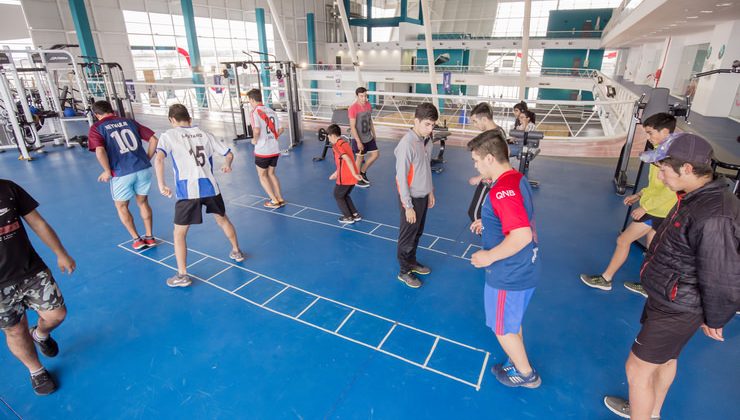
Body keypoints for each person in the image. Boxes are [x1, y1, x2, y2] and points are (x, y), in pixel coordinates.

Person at [603, 132, 739, 419]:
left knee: (637, 369)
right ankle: (652, 411)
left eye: (664, 169)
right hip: (671, 295)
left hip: (677, 307)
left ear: (687, 169)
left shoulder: (714, 214)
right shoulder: (695, 197)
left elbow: (722, 274)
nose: (661, 177)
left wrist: (715, 317)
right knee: (666, 359)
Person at [468, 130, 542, 389]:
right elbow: (515, 217)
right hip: (526, 268)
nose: (476, 165)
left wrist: (488, 256)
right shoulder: (516, 179)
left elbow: (520, 235)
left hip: (508, 273)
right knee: (512, 322)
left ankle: (526, 374)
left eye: (476, 160)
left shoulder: (502, 190)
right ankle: (515, 359)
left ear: (489, 158)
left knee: (502, 328)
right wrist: (488, 223)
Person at [580, 113, 678, 297]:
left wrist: (646, 208)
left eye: (650, 133)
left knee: (623, 240)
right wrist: (639, 195)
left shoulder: (668, 157)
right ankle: (650, 286)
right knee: (652, 248)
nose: (648, 138)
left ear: (664, 131)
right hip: (659, 209)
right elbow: (655, 185)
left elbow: (670, 190)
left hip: (659, 211)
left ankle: (606, 279)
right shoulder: (659, 151)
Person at [154, 104, 246, 288]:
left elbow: (159, 158)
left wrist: (161, 184)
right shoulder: (205, 134)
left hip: (188, 192)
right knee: (223, 220)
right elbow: (228, 154)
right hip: (210, 187)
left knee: (179, 234)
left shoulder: (168, 136)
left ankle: (182, 275)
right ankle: (236, 251)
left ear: (172, 119)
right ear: (189, 117)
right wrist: (228, 165)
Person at [0, 179, 76, 395]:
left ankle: (40, 334)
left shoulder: (8, 188)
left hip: (30, 270)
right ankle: (37, 371)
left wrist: (61, 253)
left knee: (57, 315)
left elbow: (38, 223)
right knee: (15, 330)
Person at [88, 100, 159, 250]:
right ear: (111, 110)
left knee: (121, 206)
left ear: (96, 115)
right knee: (143, 202)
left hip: (121, 173)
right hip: (142, 168)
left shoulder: (97, 128)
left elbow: (100, 150)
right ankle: (150, 237)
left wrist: (107, 171)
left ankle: (137, 239)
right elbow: (154, 139)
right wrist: (146, 158)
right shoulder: (129, 121)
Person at [395, 103, 437, 288]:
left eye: (433, 125)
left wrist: (430, 191)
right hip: (410, 199)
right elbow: (401, 178)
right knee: (407, 237)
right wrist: (408, 206)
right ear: (416, 121)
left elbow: (426, 168)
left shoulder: (427, 141)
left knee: (417, 233)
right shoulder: (407, 144)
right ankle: (404, 271)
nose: (430, 129)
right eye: (427, 124)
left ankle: (411, 262)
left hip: (423, 195)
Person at [467, 102, 509, 236]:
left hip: (489, 180)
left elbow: (498, 160)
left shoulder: (493, 136)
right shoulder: (499, 131)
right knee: (485, 212)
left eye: (475, 121)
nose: (475, 125)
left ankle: (492, 241)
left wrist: (480, 177)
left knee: (475, 213)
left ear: (484, 119)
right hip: (491, 178)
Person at [246, 89, 286, 209]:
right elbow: (280, 130)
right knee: (271, 174)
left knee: (262, 176)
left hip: (263, 150)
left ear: (252, 99)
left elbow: (256, 130)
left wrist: (254, 140)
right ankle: (280, 198)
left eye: (249, 101)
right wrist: (272, 138)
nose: (250, 103)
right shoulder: (271, 111)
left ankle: (274, 201)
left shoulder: (254, 112)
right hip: (274, 149)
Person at [326, 124, 363, 223]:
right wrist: (336, 173)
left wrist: (354, 174)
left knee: (337, 195)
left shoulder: (337, 145)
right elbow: (342, 161)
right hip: (350, 175)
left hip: (346, 177)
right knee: (344, 195)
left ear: (333, 135)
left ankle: (348, 217)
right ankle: (355, 214)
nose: (329, 139)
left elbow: (347, 159)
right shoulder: (344, 143)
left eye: (328, 137)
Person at [348, 87, 379, 188]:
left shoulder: (368, 105)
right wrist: (358, 141)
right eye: (362, 96)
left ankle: (362, 171)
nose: (364, 98)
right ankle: (356, 179)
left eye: (365, 96)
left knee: (376, 154)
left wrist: (374, 134)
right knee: (359, 158)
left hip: (368, 136)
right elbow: (352, 127)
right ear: (357, 96)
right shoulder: (353, 108)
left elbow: (370, 121)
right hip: (358, 138)